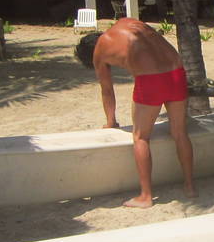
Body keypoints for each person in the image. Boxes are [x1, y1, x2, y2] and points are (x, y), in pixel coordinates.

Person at [75, 18, 196, 208]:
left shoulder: (100, 50)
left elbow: (107, 90)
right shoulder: (128, 22)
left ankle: (146, 196)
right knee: (180, 133)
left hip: (151, 81)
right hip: (177, 72)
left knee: (140, 137)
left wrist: (110, 122)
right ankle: (190, 187)